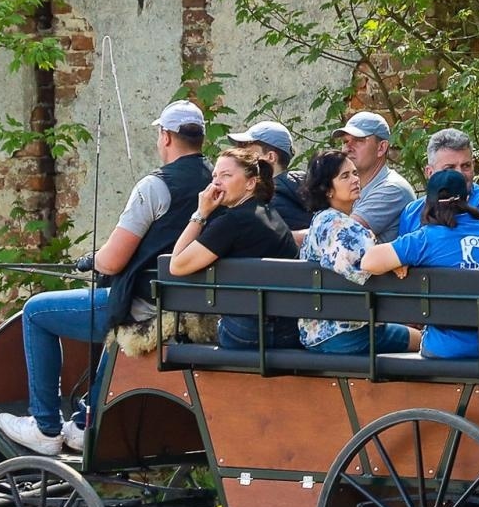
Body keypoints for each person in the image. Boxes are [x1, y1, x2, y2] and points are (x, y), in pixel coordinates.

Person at [0, 99, 212, 455]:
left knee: (36, 311)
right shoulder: (216, 181)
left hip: (144, 308)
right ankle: (84, 418)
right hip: (188, 309)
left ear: (167, 137)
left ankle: (45, 426)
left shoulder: (155, 187)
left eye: (160, 135)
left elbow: (112, 261)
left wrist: (89, 260)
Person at [357, 170, 479, 360]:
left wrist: (399, 262)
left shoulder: (426, 238)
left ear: (427, 202)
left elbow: (369, 261)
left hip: (448, 348)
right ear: (467, 198)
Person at [169, 146, 301, 348]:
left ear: (250, 183)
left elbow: (176, 265)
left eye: (226, 175)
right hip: (288, 329)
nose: (216, 182)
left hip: (250, 332)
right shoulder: (266, 212)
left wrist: (201, 214)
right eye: (214, 176)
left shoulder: (233, 222)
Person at [296, 150, 420, 355]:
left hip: (319, 333)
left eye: (354, 173)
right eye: (345, 176)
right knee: (424, 340)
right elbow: (372, 262)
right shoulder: (338, 225)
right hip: (346, 334)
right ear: (327, 189)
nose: (355, 179)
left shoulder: (321, 220)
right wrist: (397, 260)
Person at [396, 128, 479, 240]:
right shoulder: (412, 212)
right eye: (450, 168)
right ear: (430, 172)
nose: (460, 174)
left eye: (466, 166)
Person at [334, 111, 416, 241]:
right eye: (345, 141)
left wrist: (289, 237)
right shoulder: (355, 188)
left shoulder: (392, 189)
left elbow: (339, 236)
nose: (347, 148)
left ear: (381, 148)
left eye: (358, 140)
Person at [227, 120, 308, 234]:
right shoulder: (313, 192)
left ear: (270, 157)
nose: (238, 154)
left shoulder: (265, 202)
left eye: (245, 147)